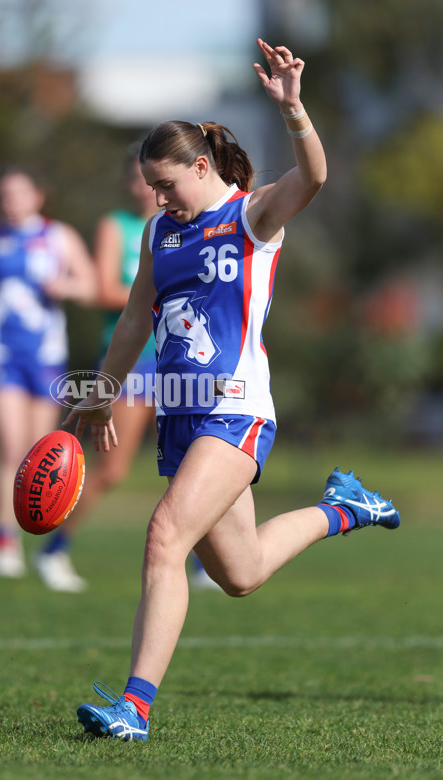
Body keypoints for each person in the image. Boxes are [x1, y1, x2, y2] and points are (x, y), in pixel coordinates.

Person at [65, 39, 401, 742]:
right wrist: (100, 393)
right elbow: (133, 320)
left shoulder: (249, 218)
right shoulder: (161, 231)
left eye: (167, 184)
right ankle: (345, 509)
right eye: (151, 188)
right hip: (183, 419)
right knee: (242, 573)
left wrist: (294, 110)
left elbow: (312, 178)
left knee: (165, 538)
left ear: (201, 166)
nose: (158, 199)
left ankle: (134, 708)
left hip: (236, 409)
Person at [0, 167, 96, 578]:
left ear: (37, 197)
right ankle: (4, 541)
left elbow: (90, 284)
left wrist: (66, 287)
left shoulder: (59, 236)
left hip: (44, 354)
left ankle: (43, 541)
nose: (9, 201)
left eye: (18, 193)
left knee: (39, 450)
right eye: (3, 194)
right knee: (11, 448)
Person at [32, 145, 159, 592]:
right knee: (111, 470)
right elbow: (104, 290)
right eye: (137, 178)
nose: (144, 188)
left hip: (180, 361)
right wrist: (157, 297)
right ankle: (53, 549)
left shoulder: (185, 223)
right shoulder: (117, 226)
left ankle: (208, 565)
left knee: (199, 463)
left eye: (151, 178)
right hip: (131, 361)